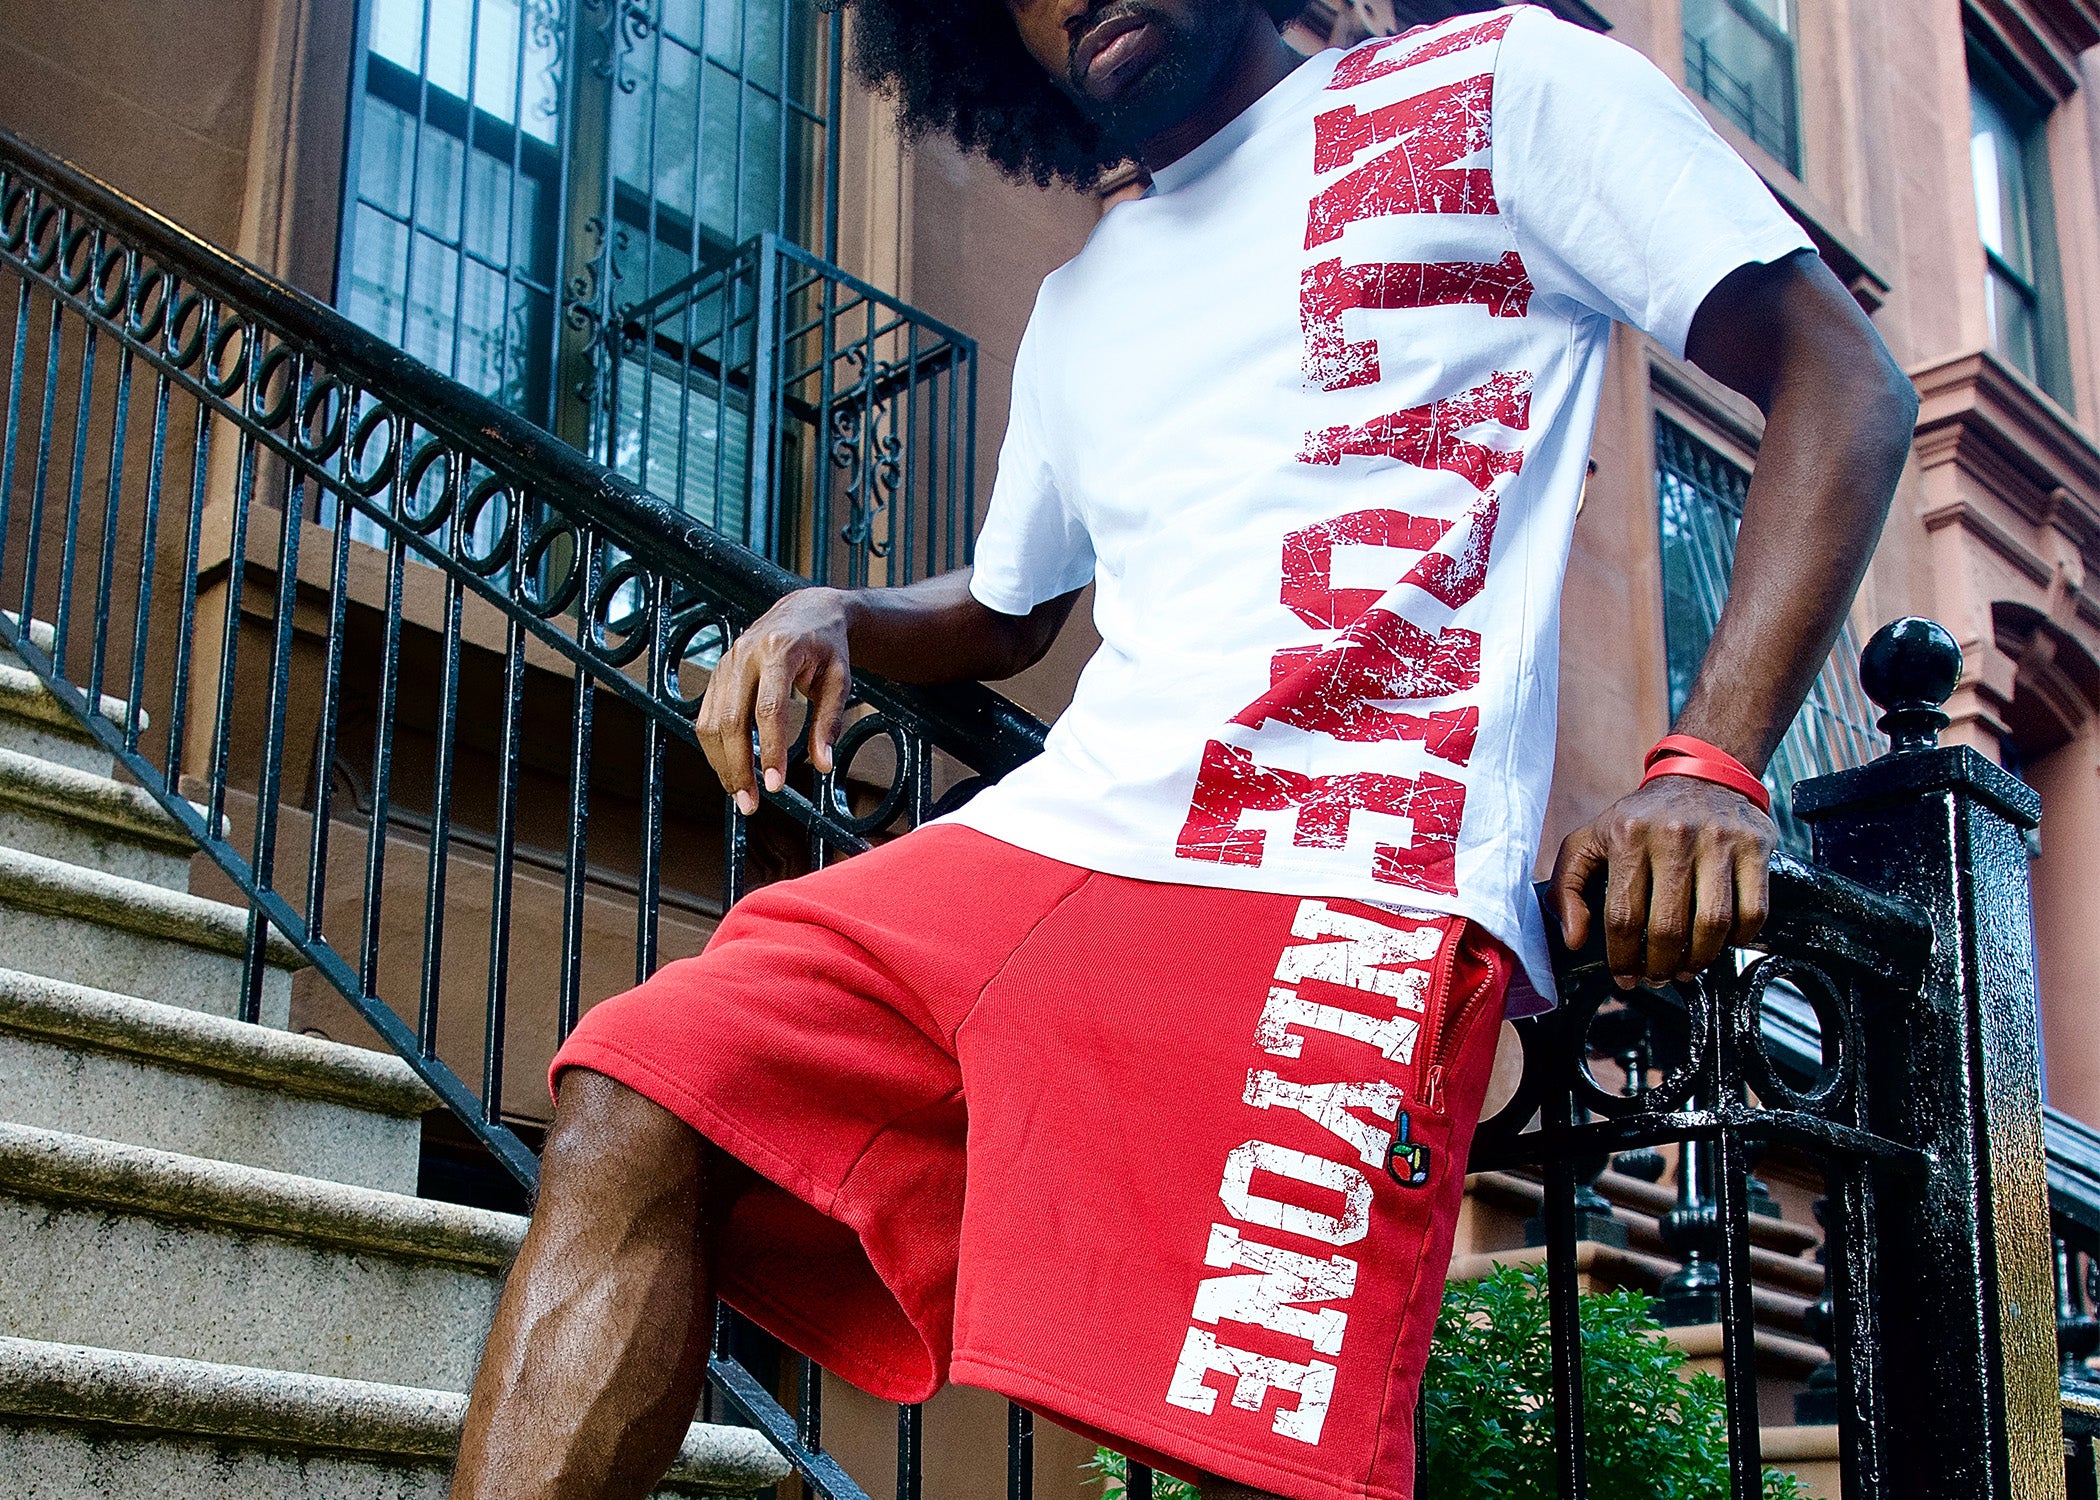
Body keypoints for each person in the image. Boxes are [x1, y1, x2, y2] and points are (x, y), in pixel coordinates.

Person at [447, 3, 1918, 1497]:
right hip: (1054, 848)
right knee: (645, 1084)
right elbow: (1006, 611)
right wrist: (836, 608)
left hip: (1342, 878)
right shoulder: (1089, 294)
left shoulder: (1499, 83)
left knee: (1244, 1463)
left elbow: (1840, 379)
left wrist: (1710, 761)